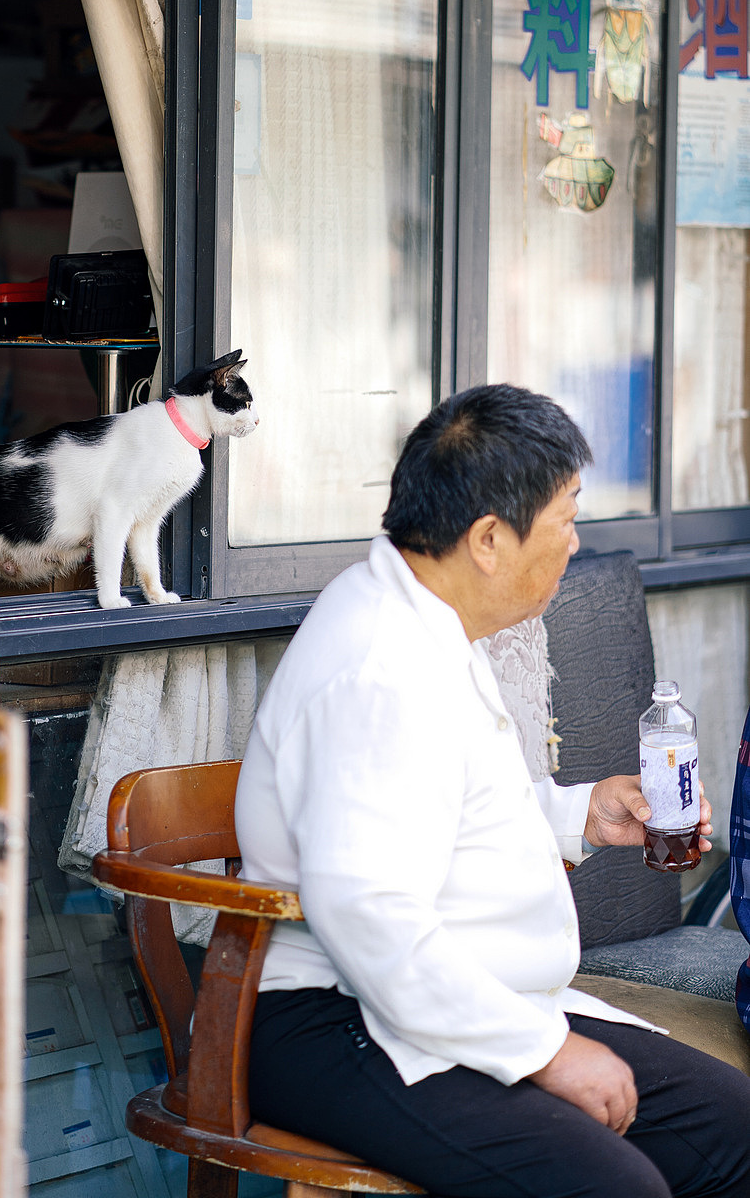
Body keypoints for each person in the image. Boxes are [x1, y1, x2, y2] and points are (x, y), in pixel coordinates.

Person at [236, 383, 750, 1198]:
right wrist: (541, 1052)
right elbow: (369, 914)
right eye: (565, 520)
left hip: (462, 997)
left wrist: (580, 814)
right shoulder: (380, 667)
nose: (575, 545)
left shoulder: (427, 619)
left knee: (734, 1129)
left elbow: (445, 812)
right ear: (486, 539)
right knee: (615, 1189)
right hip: (340, 1020)